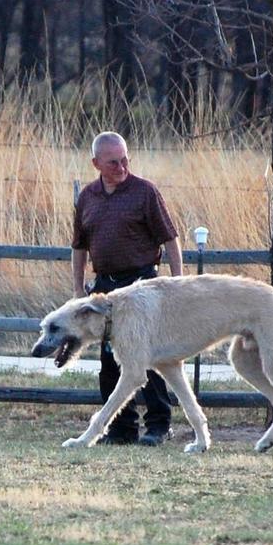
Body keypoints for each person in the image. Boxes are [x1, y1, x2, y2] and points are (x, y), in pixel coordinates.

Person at [71, 131, 184, 446]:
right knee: (110, 360)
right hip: (106, 288)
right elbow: (79, 246)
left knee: (149, 357)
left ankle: (159, 426)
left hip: (143, 286)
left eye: (125, 160)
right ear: (96, 163)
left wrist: (176, 283)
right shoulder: (88, 198)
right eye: (113, 162)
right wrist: (79, 288)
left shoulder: (144, 192)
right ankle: (120, 429)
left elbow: (170, 240)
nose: (121, 167)